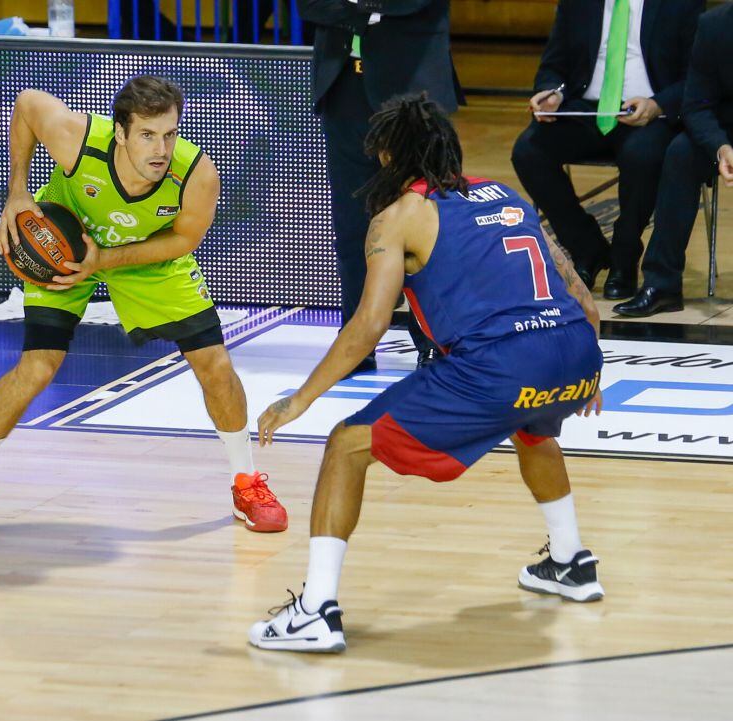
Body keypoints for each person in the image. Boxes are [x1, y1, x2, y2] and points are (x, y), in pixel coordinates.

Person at [248, 95, 605, 654]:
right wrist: (582, 371)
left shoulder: (397, 217)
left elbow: (366, 328)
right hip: (575, 350)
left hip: (501, 363)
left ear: (389, 154)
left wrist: (302, 398)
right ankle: (572, 562)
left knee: (345, 446)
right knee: (532, 422)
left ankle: (315, 612)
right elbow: (579, 292)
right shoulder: (506, 194)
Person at [0, 76, 288, 549]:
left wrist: (102, 261)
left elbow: (184, 240)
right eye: (147, 134)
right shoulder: (78, 142)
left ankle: (246, 485)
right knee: (38, 368)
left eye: (170, 134)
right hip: (62, 238)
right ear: (120, 133)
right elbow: (27, 102)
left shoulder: (197, 175)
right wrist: (18, 193)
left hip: (144, 256)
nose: (161, 148)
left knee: (215, 364)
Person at [298, 0, 462, 372]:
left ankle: (435, 340)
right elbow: (310, 6)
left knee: (428, 221)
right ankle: (356, 341)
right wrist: (369, 11)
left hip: (413, 92)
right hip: (343, 88)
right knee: (353, 223)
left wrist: (355, 4)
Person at [511, 0, 703, 300]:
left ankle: (624, 258)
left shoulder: (680, 4)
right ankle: (587, 247)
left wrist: (658, 104)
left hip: (648, 110)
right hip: (586, 108)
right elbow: (554, 64)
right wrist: (552, 92)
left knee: (642, 155)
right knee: (528, 151)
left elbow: (696, 75)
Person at [614, 2, 733, 317]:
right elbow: (696, 104)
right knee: (680, 152)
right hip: (725, 129)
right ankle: (662, 284)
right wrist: (721, 147)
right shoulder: (714, 25)